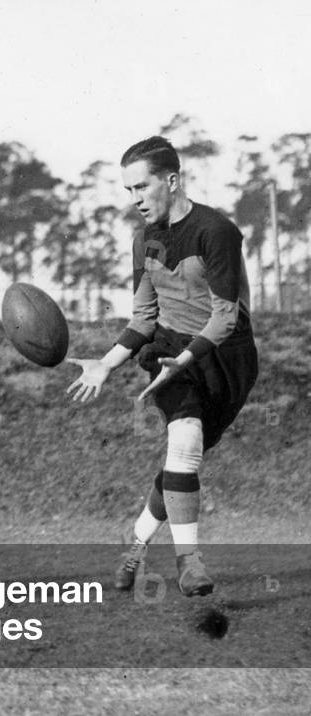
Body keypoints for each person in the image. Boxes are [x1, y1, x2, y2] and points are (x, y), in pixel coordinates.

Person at [66, 136, 258, 597]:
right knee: (185, 440)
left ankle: (135, 543)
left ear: (171, 181)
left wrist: (186, 360)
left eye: (141, 187)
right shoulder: (144, 241)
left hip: (225, 356)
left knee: (182, 463)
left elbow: (225, 317)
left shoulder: (216, 231)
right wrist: (106, 365)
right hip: (168, 349)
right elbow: (143, 318)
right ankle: (188, 563)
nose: (134, 200)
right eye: (127, 190)